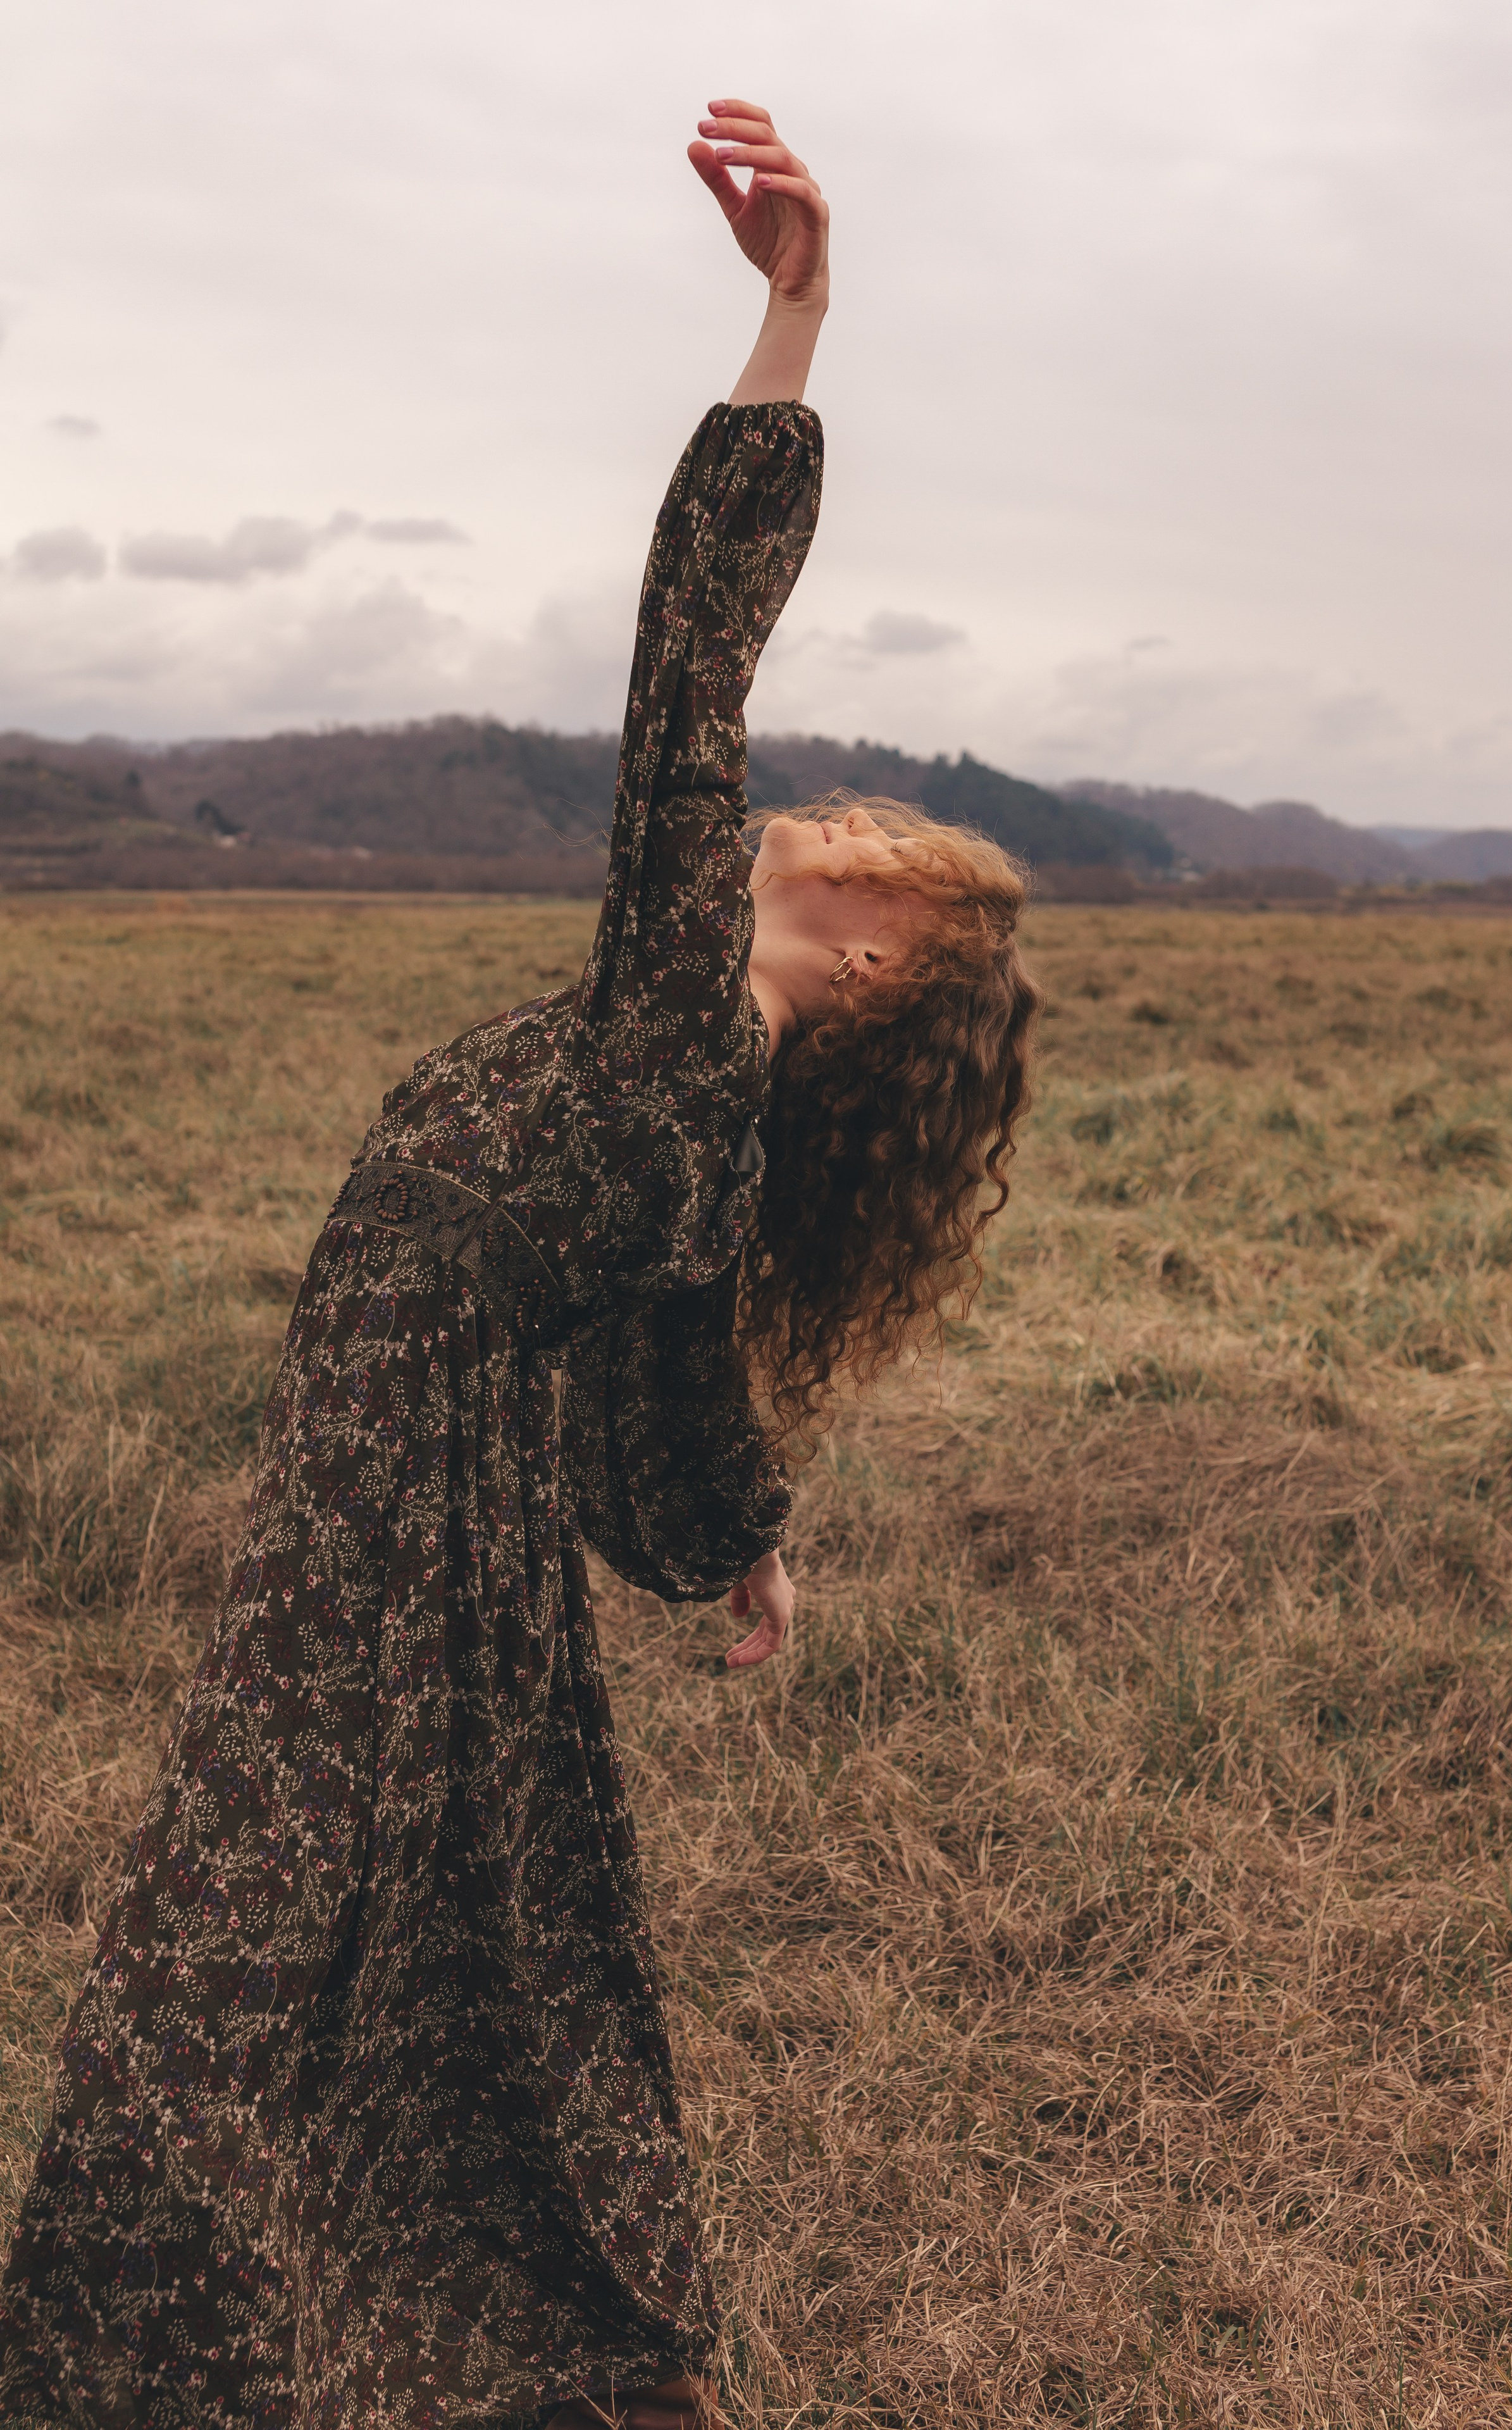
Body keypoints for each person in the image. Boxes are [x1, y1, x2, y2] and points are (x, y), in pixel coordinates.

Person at [1, 101, 1038, 2430]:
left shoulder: (693, 1023)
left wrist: (793, 318)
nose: (836, 830)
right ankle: (450, 2325)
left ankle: (149, 2346)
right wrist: (744, 1550)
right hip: (429, 1525)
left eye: (885, 858)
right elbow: (664, 1414)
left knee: (245, 1952)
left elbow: (688, 666)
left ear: (871, 965)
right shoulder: (702, 1118)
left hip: (388, 1525)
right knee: (426, 1943)